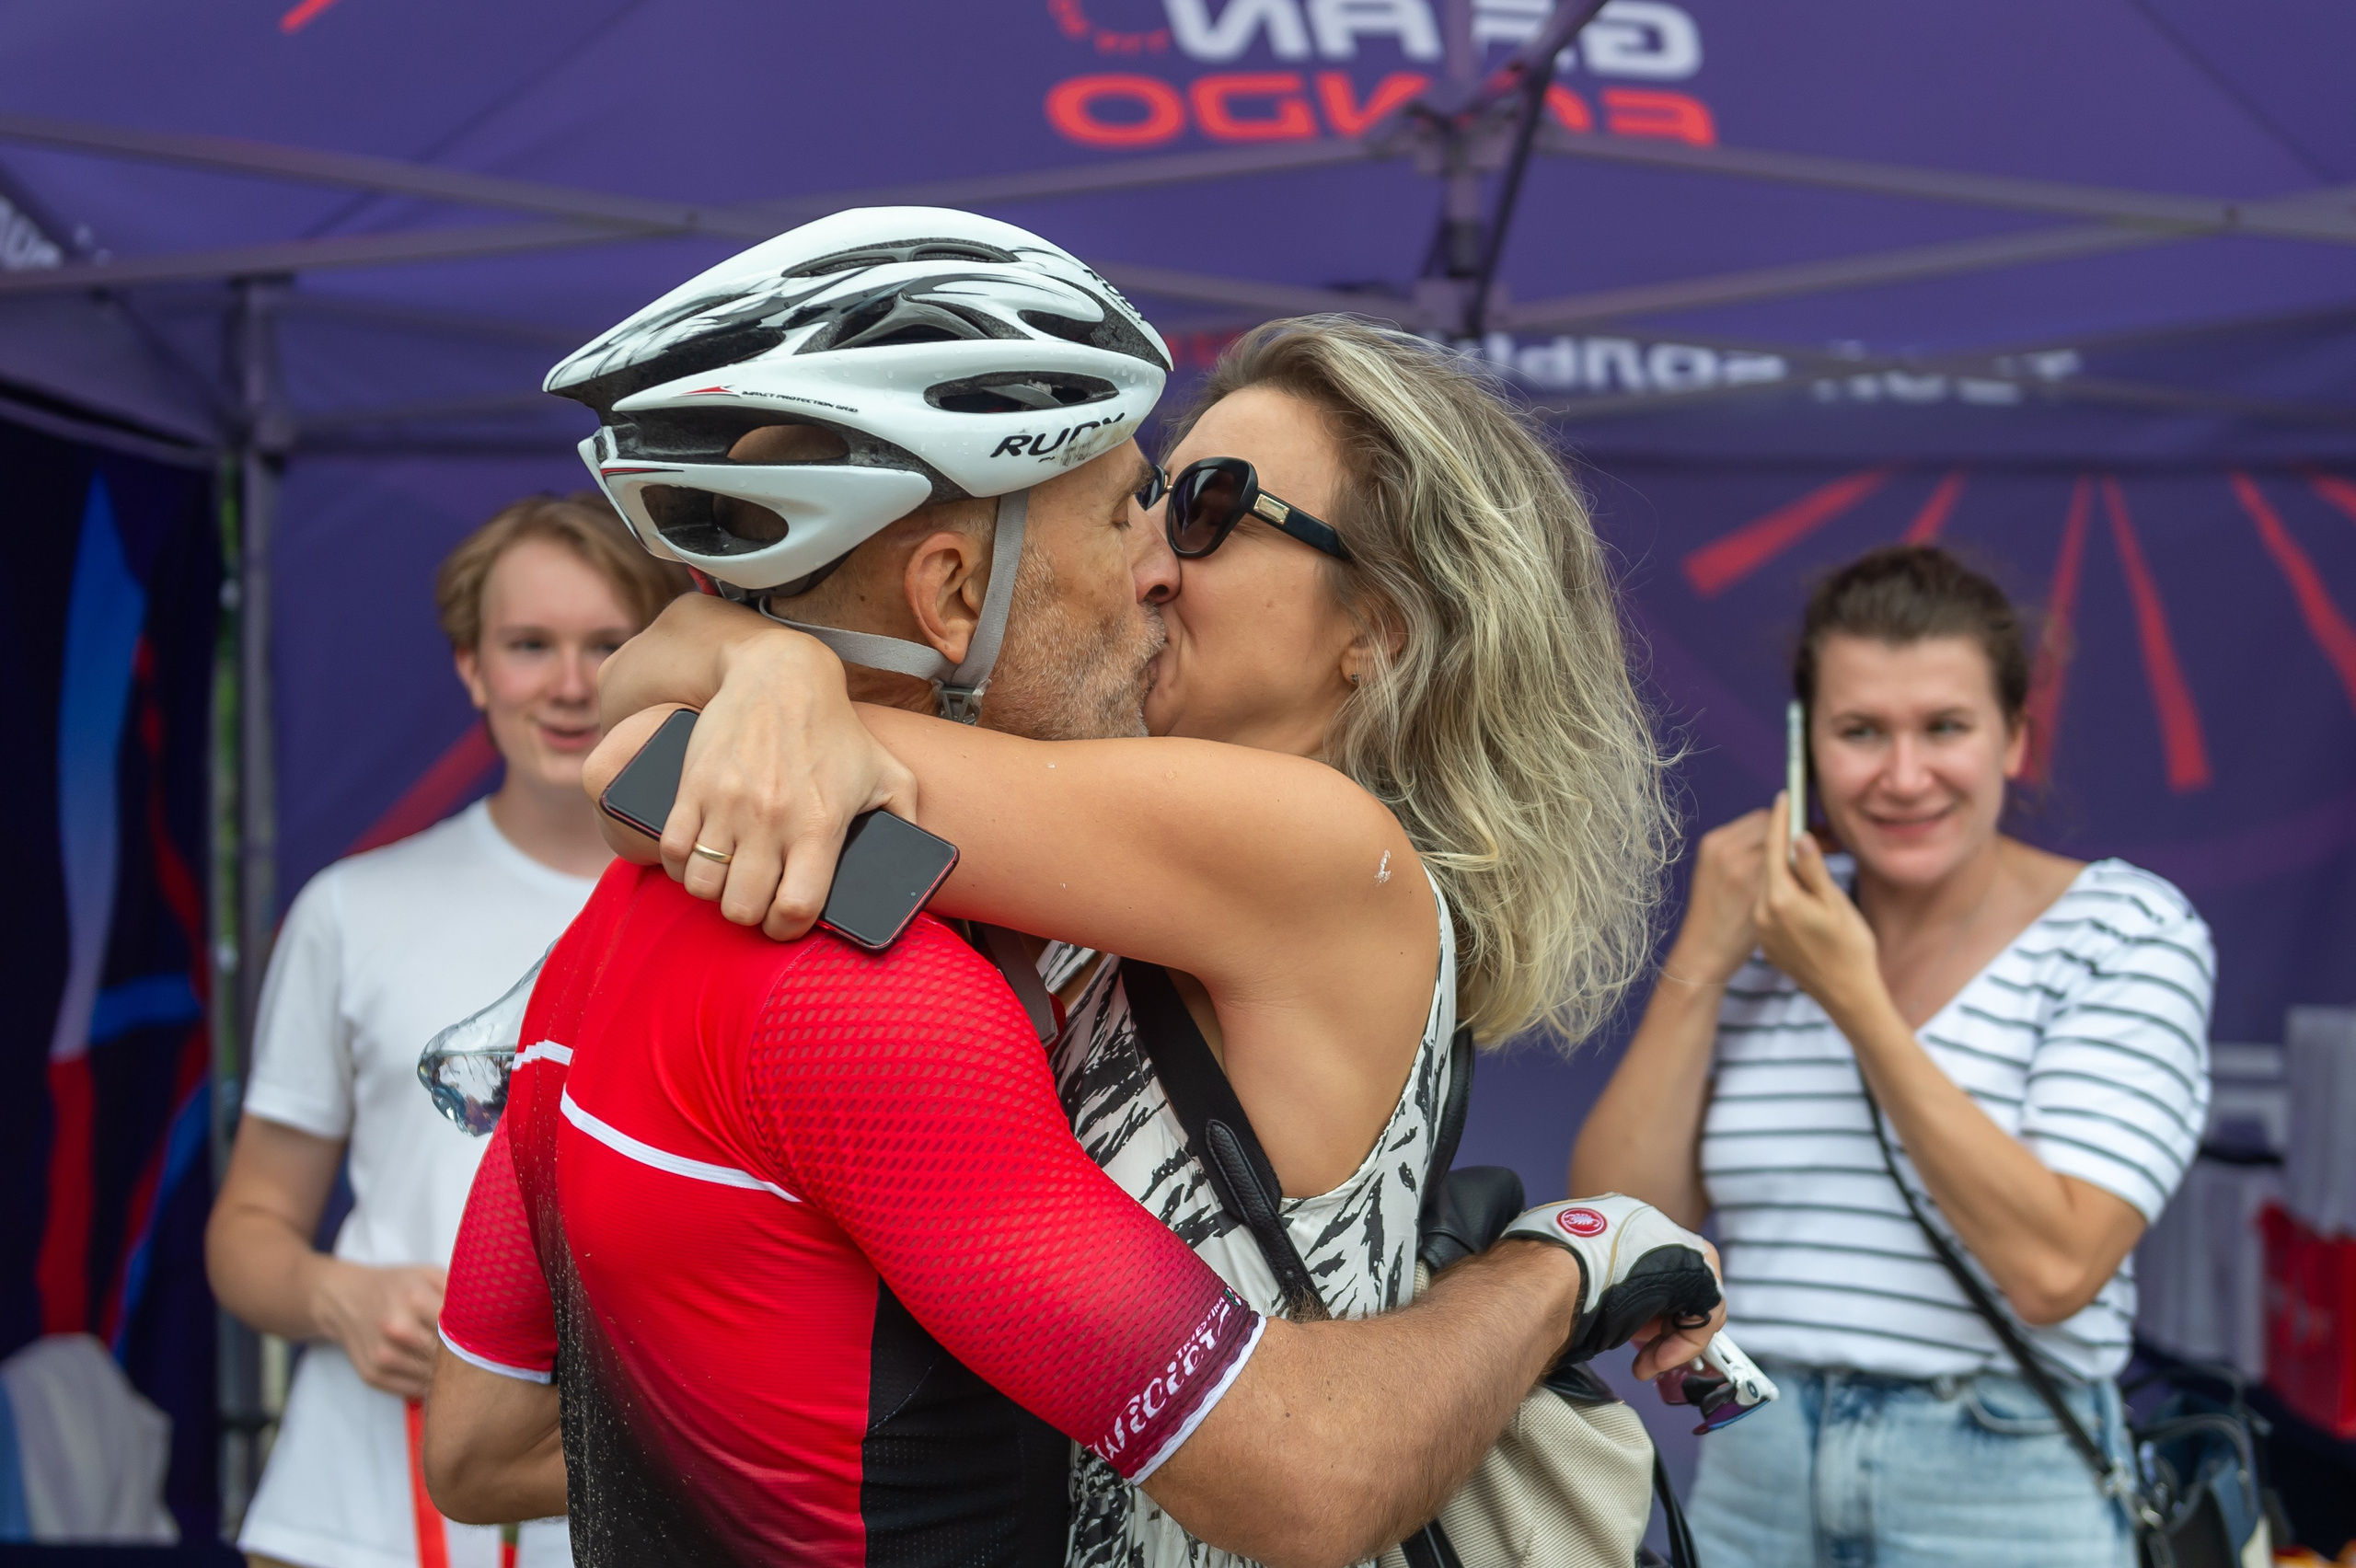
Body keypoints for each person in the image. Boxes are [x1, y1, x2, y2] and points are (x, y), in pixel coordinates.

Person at [423, 209, 1723, 1568]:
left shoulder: (1313, 845)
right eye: (1145, 504)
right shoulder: (1077, 875)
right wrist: (768, 666)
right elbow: (670, 761)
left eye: (1212, 511)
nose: (1154, 556)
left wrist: (769, 661)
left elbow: (649, 754)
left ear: (1376, 633)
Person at [1571, 545, 2215, 1567]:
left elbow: (2055, 1268)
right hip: (1756, 1462)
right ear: (1803, 750)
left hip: (2001, 1481)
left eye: (1945, 728)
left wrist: (1857, 999)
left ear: (2014, 738)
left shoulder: (2125, 931)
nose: (1903, 775)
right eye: (1860, 731)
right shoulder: (1763, 932)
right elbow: (1616, 1227)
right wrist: (1700, 956)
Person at [206, 496, 687, 1568]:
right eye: (529, 646)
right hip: (353, 1518)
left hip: (629, 1516)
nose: (569, 685)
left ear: (659, 660)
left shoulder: (725, 905)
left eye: (607, 646)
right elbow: (246, 1234)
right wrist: (343, 1296)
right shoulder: (350, 908)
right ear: (472, 668)